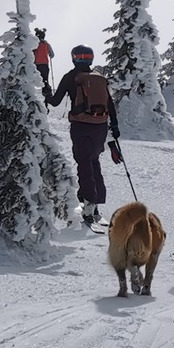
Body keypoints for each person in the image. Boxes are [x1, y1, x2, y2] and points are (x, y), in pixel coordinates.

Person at [45, 44, 120, 226]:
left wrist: (46, 92)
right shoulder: (99, 78)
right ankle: (94, 205)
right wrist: (115, 127)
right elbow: (110, 105)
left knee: (84, 163)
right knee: (94, 161)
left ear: (74, 58)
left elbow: (55, 102)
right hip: (100, 127)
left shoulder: (71, 77)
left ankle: (88, 204)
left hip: (81, 126)